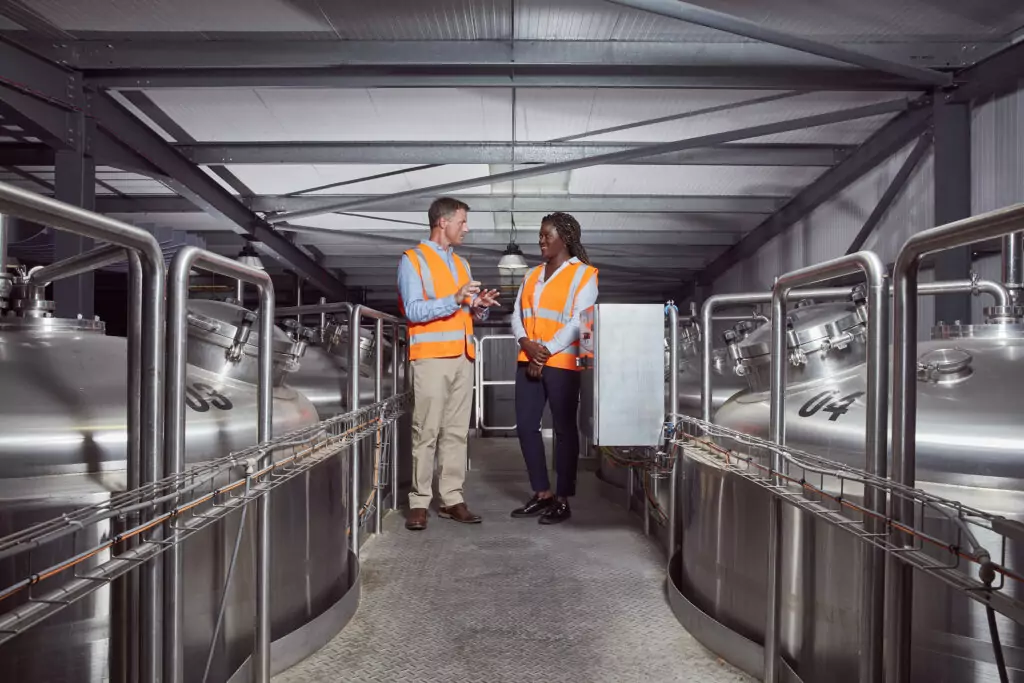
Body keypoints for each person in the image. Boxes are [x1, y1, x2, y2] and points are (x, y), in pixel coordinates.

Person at [397, 197, 499, 531]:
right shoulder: (413, 261)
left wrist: (478, 306)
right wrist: (454, 299)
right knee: (425, 431)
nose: (466, 229)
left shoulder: (463, 265)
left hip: (462, 357)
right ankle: (419, 502)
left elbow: (466, 311)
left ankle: (452, 498)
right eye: (462, 222)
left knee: (456, 433)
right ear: (443, 222)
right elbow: (413, 310)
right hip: (429, 359)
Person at [510, 212, 598, 524]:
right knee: (525, 426)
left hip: (560, 362)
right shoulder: (531, 275)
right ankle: (542, 493)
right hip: (529, 359)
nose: (541, 240)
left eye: (547, 235)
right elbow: (517, 314)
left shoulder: (585, 275)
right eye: (540, 235)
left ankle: (562, 499)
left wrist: (543, 353)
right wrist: (525, 343)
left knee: (563, 430)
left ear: (565, 237)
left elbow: (578, 321)